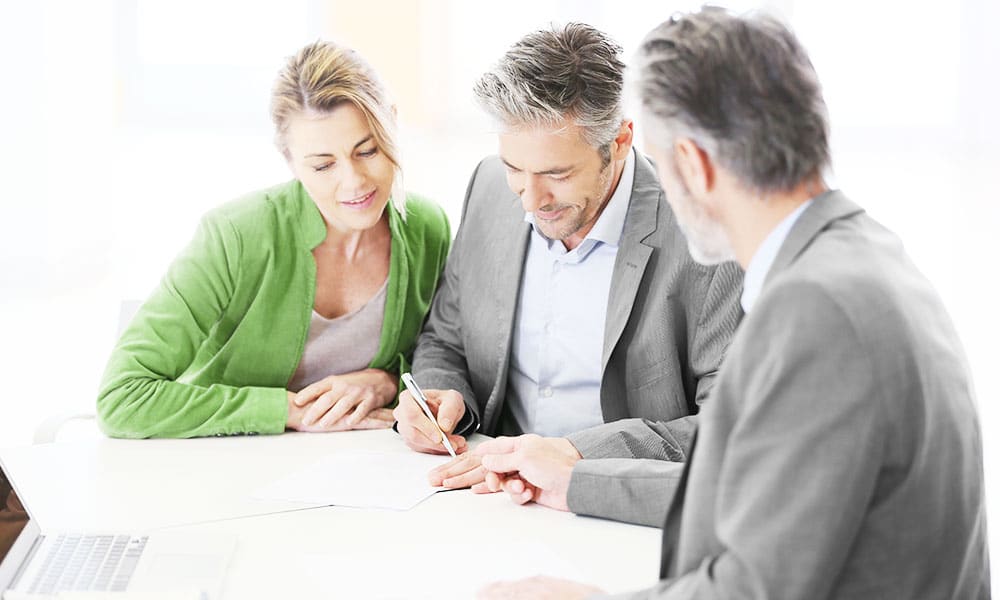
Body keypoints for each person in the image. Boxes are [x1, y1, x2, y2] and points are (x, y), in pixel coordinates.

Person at [475, 8, 990, 599]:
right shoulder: (856, 255)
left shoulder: (815, 312)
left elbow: (756, 588)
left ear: (691, 164)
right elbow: (768, 490)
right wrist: (577, 482)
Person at [392, 23, 743, 521]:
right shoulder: (491, 188)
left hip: (612, 509)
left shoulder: (707, 235)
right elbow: (446, 339)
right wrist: (442, 398)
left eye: (557, 175)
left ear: (620, 141)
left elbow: (729, 427)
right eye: (515, 167)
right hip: (481, 494)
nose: (531, 202)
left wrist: (578, 456)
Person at [96, 41, 450, 438]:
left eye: (367, 151)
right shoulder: (234, 236)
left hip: (368, 469)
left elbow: (442, 352)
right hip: (232, 471)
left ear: (392, 125)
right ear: (290, 161)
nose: (353, 182)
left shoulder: (426, 229)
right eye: (323, 164)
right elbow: (122, 398)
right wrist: (285, 409)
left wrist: (387, 380)